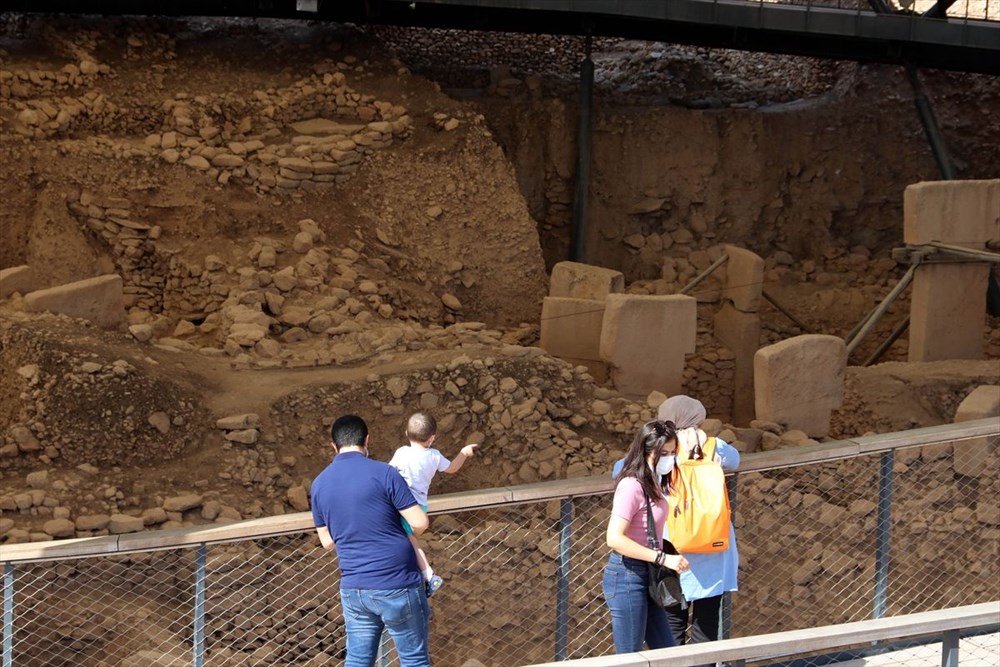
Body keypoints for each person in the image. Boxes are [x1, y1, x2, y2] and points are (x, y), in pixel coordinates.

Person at [311, 415, 431, 667]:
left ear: (334, 446)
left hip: (355, 587)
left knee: (358, 660)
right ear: (367, 440)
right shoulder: (384, 473)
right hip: (397, 583)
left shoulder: (319, 484)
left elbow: (327, 542)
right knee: (414, 659)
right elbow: (419, 522)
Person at [657, 395, 741, 647]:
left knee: (672, 621)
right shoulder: (713, 446)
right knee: (706, 624)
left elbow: (621, 469)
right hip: (712, 543)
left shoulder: (660, 449)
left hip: (673, 547)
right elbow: (735, 459)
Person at [603, 419, 691, 654]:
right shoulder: (631, 485)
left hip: (649, 574)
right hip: (627, 575)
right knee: (630, 657)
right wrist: (663, 558)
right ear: (645, 450)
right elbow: (614, 538)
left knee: (667, 654)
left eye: (672, 453)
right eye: (663, 453)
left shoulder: (654, 481)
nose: (669, 458)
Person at [389, 411, 479, 595]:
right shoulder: (434, 456)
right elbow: (453, 468)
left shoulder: (402, 453)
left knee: (409, 542)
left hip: (403, 509)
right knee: (409, 541)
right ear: (432, 438)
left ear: (406, 433)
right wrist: (464, 452)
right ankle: (423, 577)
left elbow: (388, 474)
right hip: (420, 508)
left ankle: (429, 576)